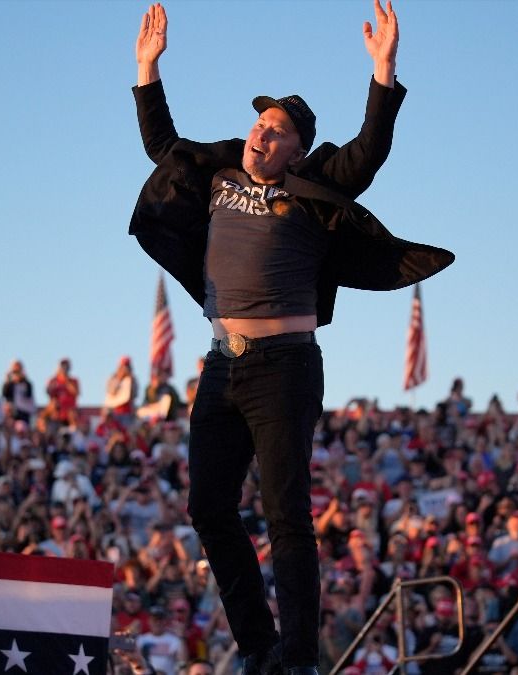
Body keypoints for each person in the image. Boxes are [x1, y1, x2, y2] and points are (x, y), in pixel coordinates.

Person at [130, 3, 451, 673]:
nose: (260, 133)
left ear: (296, 149)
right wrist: (147, 71)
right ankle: (257, 645)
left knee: (285, 511)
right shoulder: (218, 177)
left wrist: (384, 72)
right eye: (258, 122)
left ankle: (299, 656)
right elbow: (166, 149)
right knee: (209, 506)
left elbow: (368, 153)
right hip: (222, 367)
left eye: (275, 130)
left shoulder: (311, 190)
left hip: (285, 366)